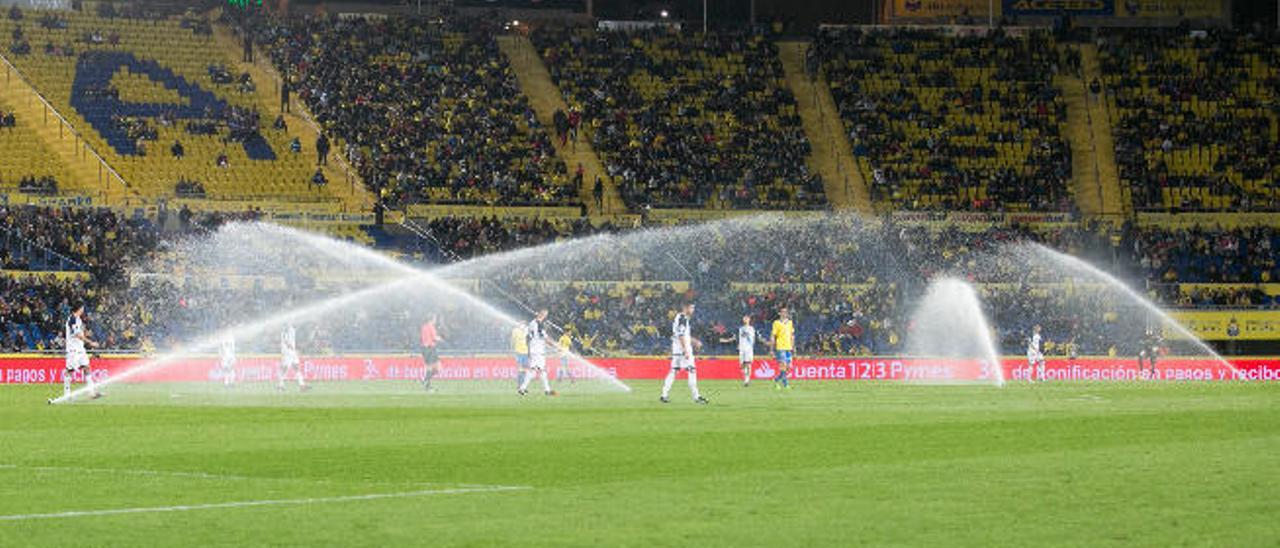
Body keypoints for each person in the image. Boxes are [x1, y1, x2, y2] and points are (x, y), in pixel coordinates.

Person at [52, 302, 101, 403]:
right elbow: (77, 334)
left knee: (87, 368)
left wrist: (86, 334)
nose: (83, 310)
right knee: (69, 370)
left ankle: (91, 392)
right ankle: (67, 394)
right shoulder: (72, 319)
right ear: (79, 308)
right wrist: (91, 343)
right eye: (82, 308)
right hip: (73, 350)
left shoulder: (78, 319)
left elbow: (79, 333)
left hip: (80, 349)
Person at [661, 302, 709, 404]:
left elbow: (683, 335)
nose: (693, 310)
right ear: (685, 308)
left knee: (674, 371)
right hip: (683, 350)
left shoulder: (679, 318)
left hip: (677, 350)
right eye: (691, 307)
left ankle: (664, 395)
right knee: (692, 371)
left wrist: (695, 341)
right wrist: (686, 350)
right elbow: (681, 335)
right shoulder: (682, 319)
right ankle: (697, 397)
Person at [517, 309, 555, 396]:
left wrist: (529, 349)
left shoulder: (531, 323)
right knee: (535, 370)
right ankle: (523, 388)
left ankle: (547, 390)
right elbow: (544, 338)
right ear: (542, 315)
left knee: (539, 370)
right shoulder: (539, 324)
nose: (545, 316)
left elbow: (527, 337)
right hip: (538, 350)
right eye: (545, 315)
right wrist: (555, 345)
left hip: (534, 349)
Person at [721, 315, 756, 387]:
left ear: (749, 320)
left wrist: (751, 346)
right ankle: (745, 376)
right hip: (742, 349)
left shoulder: (751, 329)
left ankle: (747, 379)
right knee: (742, 365)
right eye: (744, 318)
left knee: (748, 364)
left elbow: (753, 339)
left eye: (747, 318)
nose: (745, 320)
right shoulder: (740, 329)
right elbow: (735, 338)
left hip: (748, 349)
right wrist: (726, 340)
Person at [277, 322, 308, 391]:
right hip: (288, 352)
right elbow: (287, 342)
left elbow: (296, 325)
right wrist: (293, 350)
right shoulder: (285, 331)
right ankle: (280, 385)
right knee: (284, 369)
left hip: (292, 352)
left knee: (296, 367)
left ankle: (302, 385)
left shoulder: (292, 329)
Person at [770, 307, 795, 390]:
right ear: (779, 313)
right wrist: (771, 349)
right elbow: (773, 336)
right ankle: (785, 384)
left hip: (788, 347)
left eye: (786, 312)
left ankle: (776, 379)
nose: (784, 313)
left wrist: (793, 346)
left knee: (788, 367)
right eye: (782, 312)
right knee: (783, 365)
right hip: (780, 346)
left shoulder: (790, 323)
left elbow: (792, 335)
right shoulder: (776, 323)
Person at [420, 314, 443, 392]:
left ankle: (425, 380)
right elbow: (434, 338)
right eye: (435, 319)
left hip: (424, 349)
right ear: (432, 319)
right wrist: (440, 339)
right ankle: (427, 385)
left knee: (433, 368)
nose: (435, 320)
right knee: (435, 368)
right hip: (430, 348)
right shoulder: (431, 326)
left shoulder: (424, 326)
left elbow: (423, 338)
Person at [511, 322, 529, 388]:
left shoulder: (527, 331)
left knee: (525, 369)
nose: (523, 325)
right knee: (520, 368)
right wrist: (512, 349)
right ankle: (519, 384)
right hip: (518, 352)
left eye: (524, 324)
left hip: (526, 353)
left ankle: (522, 384)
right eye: (522, 323)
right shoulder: (515, 330)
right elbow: (512, 340)